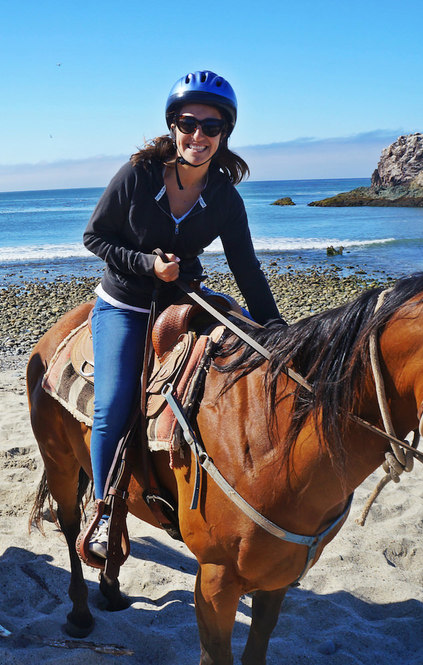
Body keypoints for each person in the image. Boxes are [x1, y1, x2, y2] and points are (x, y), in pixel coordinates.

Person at [82, 70, 284, 559]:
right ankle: (104, 507)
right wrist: (147, 264)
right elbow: (94, 238)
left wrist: (276, 328)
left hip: (184, 300)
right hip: (125, 303)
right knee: (112, 403)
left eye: (211, 127)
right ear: (174, 126)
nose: (199, 136)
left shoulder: (224, 198)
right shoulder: (139, 176)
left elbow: (247, 269)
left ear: (225, 134)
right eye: (189, 124)